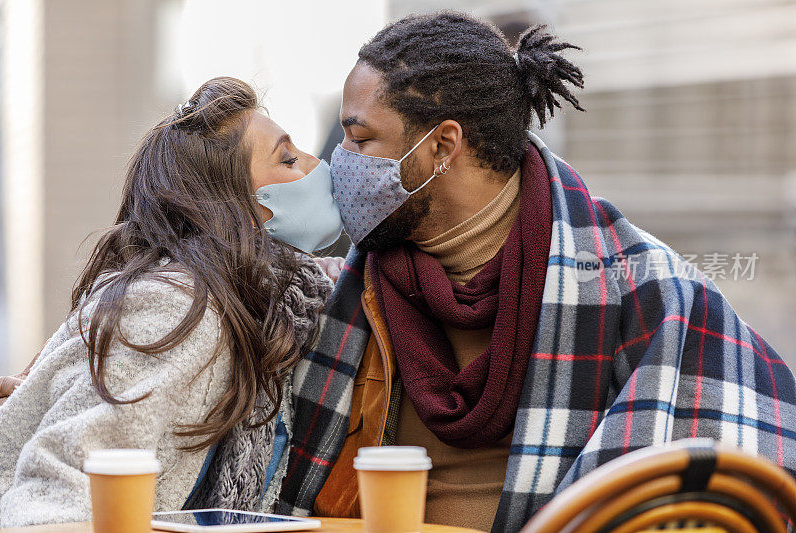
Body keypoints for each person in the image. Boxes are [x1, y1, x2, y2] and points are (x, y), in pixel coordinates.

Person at [272, 12, 796, 533]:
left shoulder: (650, 292)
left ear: (443, 146)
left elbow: (765, 475)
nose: (340, 160)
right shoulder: (343, 291)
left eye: (361, 140)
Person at [0, 77, 340, 528]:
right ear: (233, 205)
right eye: (288, 159)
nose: (319, 166)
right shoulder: (179, 306)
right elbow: (64, 490)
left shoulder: (270, 304)